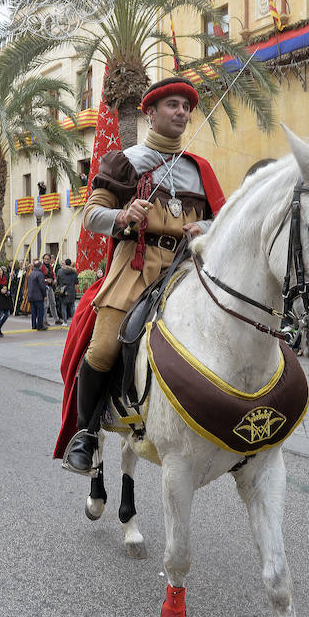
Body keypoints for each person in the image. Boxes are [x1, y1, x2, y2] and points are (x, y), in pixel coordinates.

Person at [63, 75, 225, 473]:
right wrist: (121, 214)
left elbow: (223, 222)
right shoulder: (124, 161)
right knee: (102, 349)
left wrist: (203, 228)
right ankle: (85, 435)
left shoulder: (200, 169)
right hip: (134, 269)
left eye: (186, 107)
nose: (182, 113)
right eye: (172, 105)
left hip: (186, 269)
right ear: (150, 114)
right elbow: (90, 215)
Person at [26, 260, 47, 330]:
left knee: (33, 312)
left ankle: (33, 325)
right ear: (40, 266)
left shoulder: (31, 274)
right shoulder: (40, 274)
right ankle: (40, 326)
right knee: (40, 312)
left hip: (31, 295)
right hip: (38, 296)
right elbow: (42, 286)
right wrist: (45, 295)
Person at [41, 253, 62, 325]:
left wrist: (54, 279)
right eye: (45, 259)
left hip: (50, 287)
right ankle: (44, 320)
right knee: (45, 304)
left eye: (48, 259)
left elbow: (53, 274)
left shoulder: (50, 267)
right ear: (43, 259)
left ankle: (56, 319)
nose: (46, 260)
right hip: (44, 287)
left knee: (53, 303)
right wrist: (46, 280)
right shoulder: (41, 267)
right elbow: (39, 277)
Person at [57, 258, 78, 326]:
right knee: (72, 306)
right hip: (71, 290)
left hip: (63, 290)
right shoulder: (74, 272)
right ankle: (74, 322)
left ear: (65, 263)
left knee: (63, 306)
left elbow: (58, 281)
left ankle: (65, 322)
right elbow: (76, 282)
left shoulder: (60, 271)